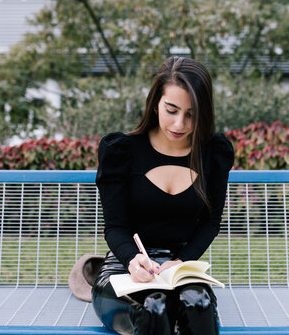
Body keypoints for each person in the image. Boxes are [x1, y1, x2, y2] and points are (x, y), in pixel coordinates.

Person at [92, 56, 234, 335]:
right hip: (126, 269)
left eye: (191, 114)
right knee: (155, 308)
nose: (180, 124)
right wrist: (133, 260)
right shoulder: (122, 150)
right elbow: (115, 227)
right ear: (155, 102)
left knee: (198, 303)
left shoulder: (213, 153)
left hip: (179, 270)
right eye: (171, 109)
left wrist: (181, 261)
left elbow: (210, 223)